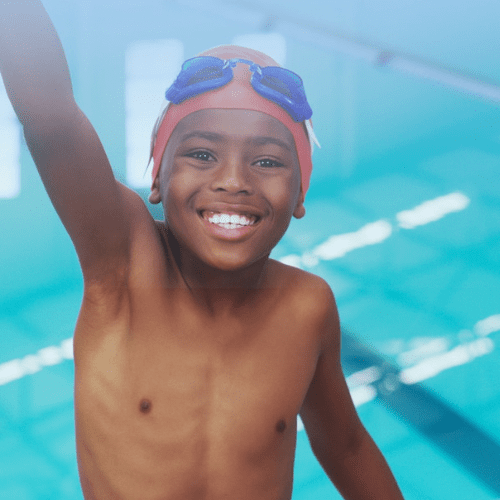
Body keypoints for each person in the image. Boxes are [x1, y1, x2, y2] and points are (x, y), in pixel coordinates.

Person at [0, 1, 405, 499]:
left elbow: (345, 446)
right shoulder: (124, 267)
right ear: (157, 179)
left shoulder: (306, 306)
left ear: (300, 195)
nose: (233, 181)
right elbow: (49, 118)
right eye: (202, 154)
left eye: (266, 161)